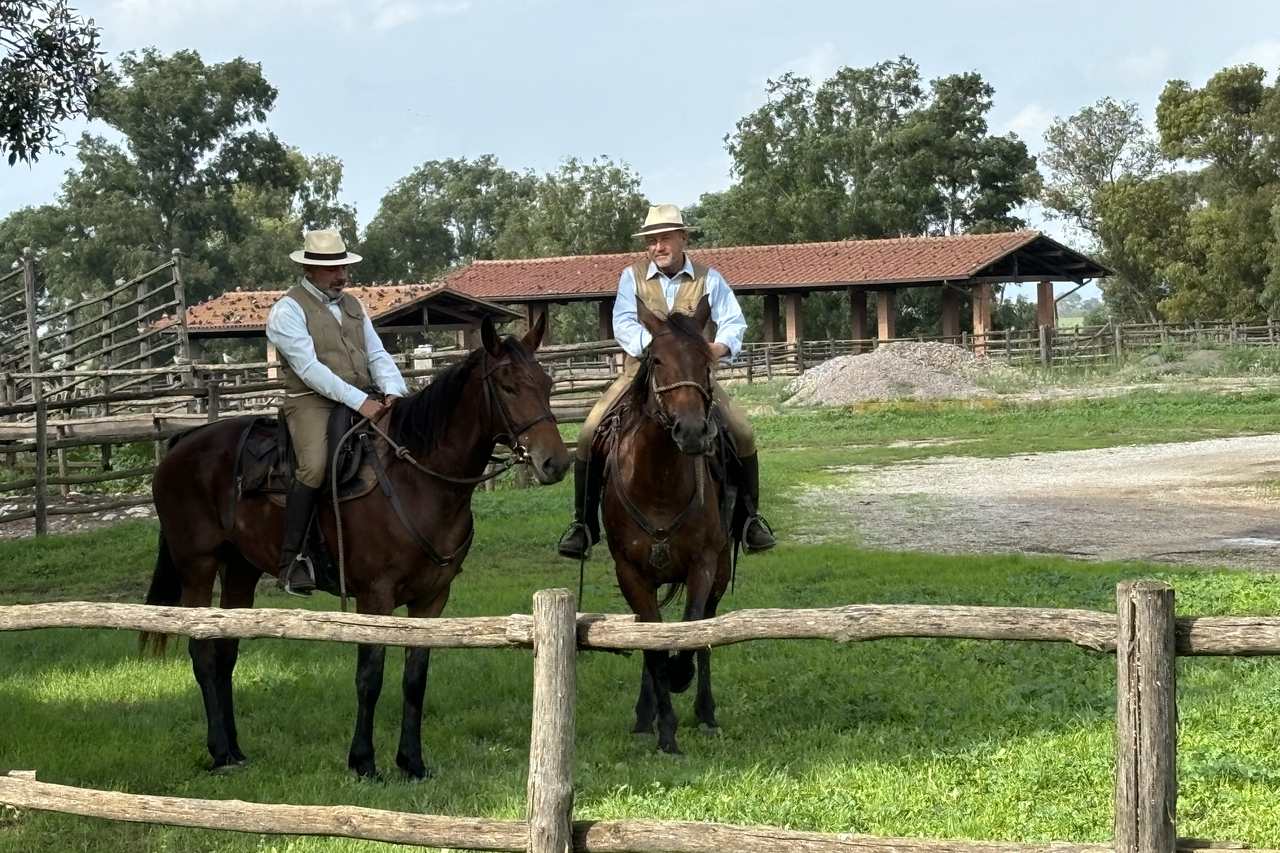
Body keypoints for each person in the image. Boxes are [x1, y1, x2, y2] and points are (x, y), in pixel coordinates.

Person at [557, 203, 776, 559]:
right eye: (652, 240)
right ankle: (583, 525)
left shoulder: (710, 278)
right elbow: (625, 323)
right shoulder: (632, 277)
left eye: (664, 239)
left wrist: (717, 348)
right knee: (588, 432)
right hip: (639, 372)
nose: (657, 247)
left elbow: (734, 322)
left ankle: (750, 520)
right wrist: (657, 348)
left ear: (682, 238)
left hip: (692, 376)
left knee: (742, 431)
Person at [264, 229, 409, 595]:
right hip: (311, 400)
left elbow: (376, 353)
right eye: (331, 270)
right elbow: (310, 370)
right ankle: (292, 559)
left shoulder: (354, 306)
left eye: (342, 267)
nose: (341, 276)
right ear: (310, 270)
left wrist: (394, 391)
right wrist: (360, 402)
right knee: (313, 465)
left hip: (365, 394)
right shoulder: (287, 310)